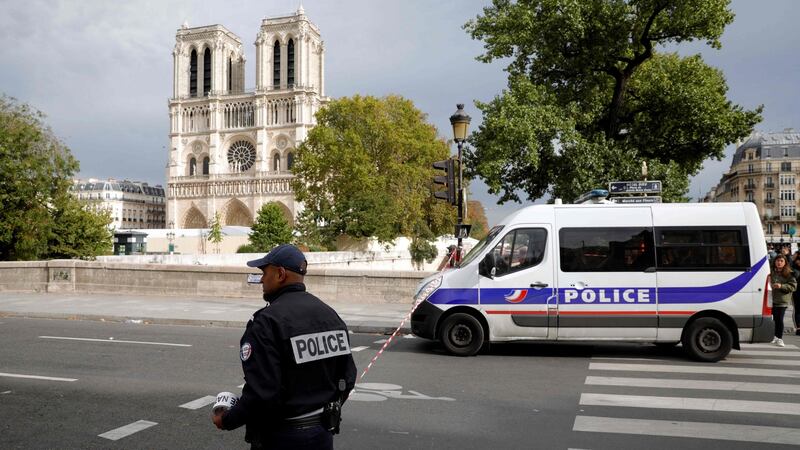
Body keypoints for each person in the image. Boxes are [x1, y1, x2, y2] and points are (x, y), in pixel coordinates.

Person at [212, 244, 357, 449]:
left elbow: (263, 393)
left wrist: (226, 420)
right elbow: (348, 378)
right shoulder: (330, 315)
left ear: (280, 274)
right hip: (322, 434)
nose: (262, 279)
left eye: (264, 272)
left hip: (281, 437)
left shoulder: (267, 321)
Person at [770, 254, 796, 347]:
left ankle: (780, 338)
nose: (779, 263)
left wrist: (781, 286)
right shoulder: (771, 272)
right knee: (774, 319)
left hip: (782, 300)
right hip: (770, 299)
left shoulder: (789, 273)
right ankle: (775, 337)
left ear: (785, 263)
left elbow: (793, 286)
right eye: (778, 261)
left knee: (779, 319)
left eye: (781, 261)